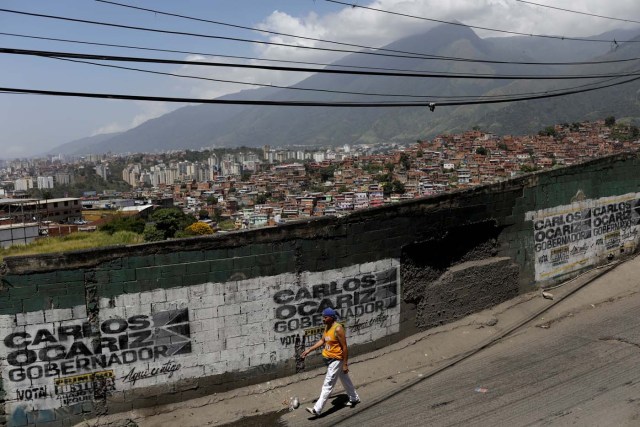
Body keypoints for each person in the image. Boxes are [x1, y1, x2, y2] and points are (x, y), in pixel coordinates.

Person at [301, 307, 360, 416]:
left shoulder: (338, 329)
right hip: (330, 360)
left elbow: (345, 347)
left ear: (332, 318)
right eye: (323, 317)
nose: (323, 319)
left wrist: (345, 364)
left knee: (328, 384)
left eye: (325, 317)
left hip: (336, 360)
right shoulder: (327, 327)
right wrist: (309, 350)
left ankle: (317, 409)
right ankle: (354, 398)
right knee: (345, 379)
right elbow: (323, 340)